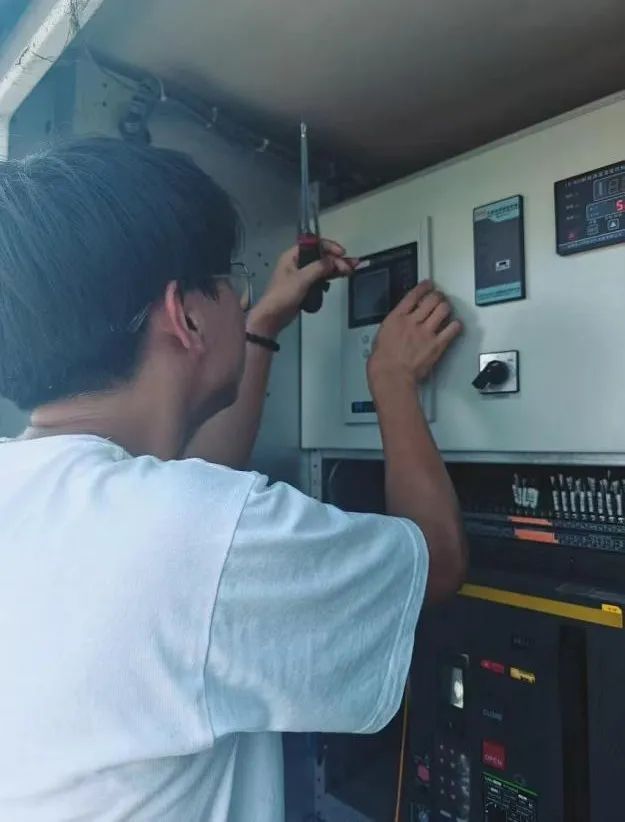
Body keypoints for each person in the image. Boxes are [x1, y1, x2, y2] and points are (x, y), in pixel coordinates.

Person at [0, 137, 467, 822]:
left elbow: (190, 521)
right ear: (186, 315)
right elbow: (436, 560)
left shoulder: (52, 494)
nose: (243, 297)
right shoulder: (187, 533)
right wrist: (393, 380)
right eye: (230, 281)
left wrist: (263, 323)